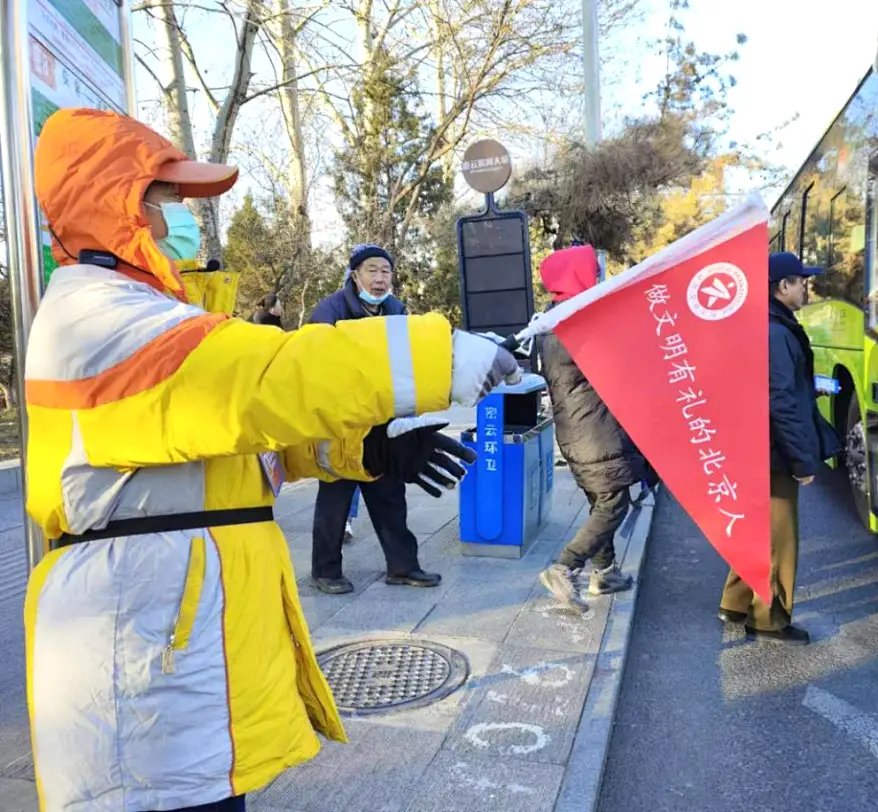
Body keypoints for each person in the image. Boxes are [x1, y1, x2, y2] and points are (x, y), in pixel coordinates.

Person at [24, 107, 520, 812]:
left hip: (168, 655)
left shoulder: (130, 312)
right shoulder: (98, 319)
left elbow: (246, 446)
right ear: (117, 209)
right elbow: (269, 380)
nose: (178, 225)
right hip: (141, 667)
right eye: (164, 203)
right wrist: (445, 354)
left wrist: (371, 449)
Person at [718, 251, 841, 645]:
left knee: (759, 529)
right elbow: (780, 402)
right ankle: (768, 620)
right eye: (800, 280)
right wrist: (802, 462)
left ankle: (735, 602)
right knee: (779, 538)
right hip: (772, 454)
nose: (806, 286)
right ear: (781, 286)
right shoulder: (775, 332)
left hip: (758, 447)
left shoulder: (769, 325)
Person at [306, 244, 440, 594]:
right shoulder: (330, 310)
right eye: (372, 270)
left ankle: (403, 566)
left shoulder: (396, 310)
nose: (380, 279)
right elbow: (311, 364)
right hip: (341, 425)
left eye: (386, 271)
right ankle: (325, 571)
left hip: (382, 424)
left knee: (390, 495)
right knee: (335, 498)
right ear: (355, 275)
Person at [535, 245, 644, 613]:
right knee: (614, 503)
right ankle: (566, 567)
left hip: (578, 434)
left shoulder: (556, 320)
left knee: (603, 500)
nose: (601, 276)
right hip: (597, 435)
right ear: (578, 277)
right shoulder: (577, 325)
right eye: (595, 271)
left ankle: (606, 572)